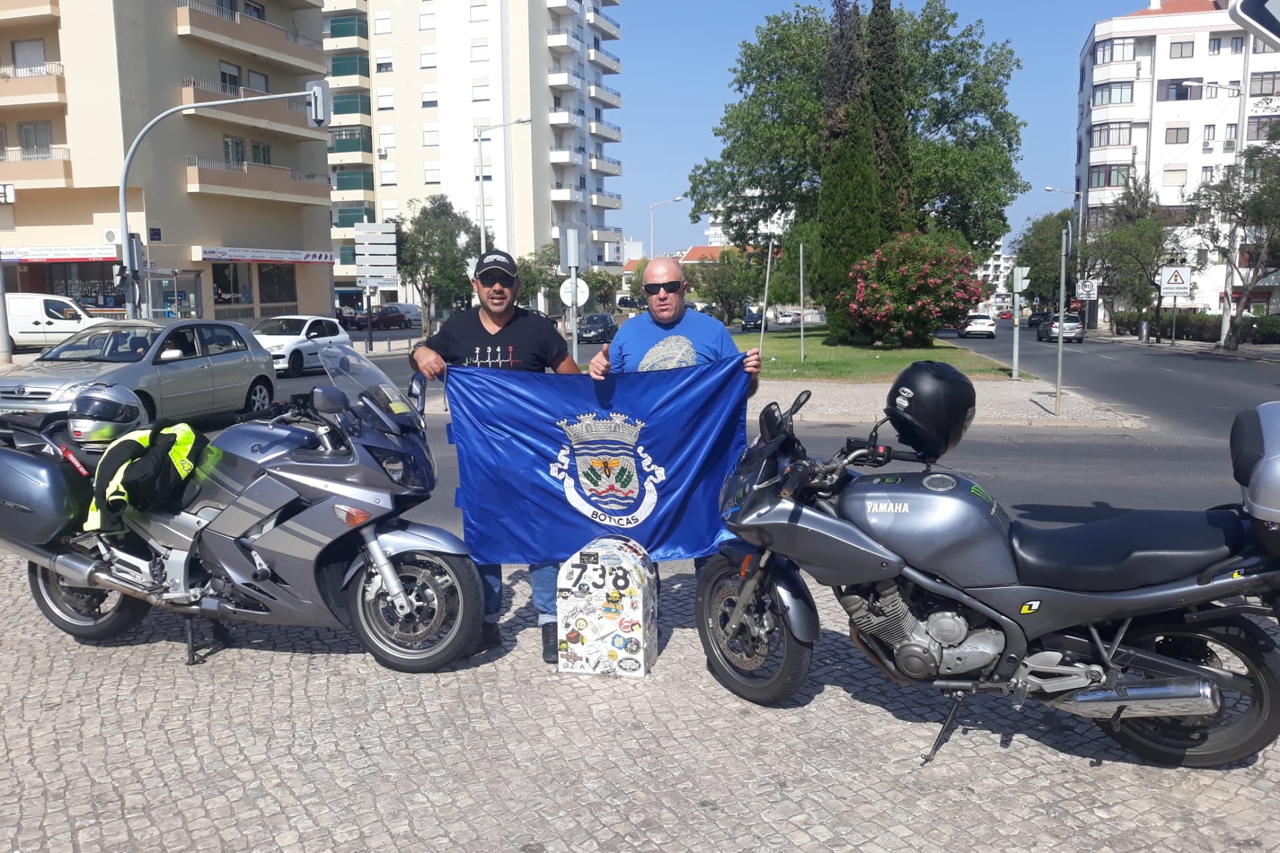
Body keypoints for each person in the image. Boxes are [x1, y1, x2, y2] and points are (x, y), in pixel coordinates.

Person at [410, 248, 580, 663]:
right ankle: (486, 623)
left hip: (535, 455)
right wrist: (420, 352)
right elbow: (421, 357)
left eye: (505, 280)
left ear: (517, 286)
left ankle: (549, 620)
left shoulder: (537, 329)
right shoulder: (458, 329)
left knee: (542, 538)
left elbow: (573, 384)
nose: (497, 287)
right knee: (484, 539)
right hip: (480, 458)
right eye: (489, 280)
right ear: (476, 286)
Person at [588, 256, 762, 577]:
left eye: (670, 287)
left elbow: (739, 394)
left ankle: (716, 611)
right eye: (654, 288)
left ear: (684, 288)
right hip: (644, 460)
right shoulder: (627, 334)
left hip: (700, 459)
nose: (662, 295)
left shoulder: (712, 331)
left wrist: (749, 377)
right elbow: (608, 399)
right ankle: (641, 617)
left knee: (710, 543)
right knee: (639, 547)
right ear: (645, 293)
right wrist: (598, 372)